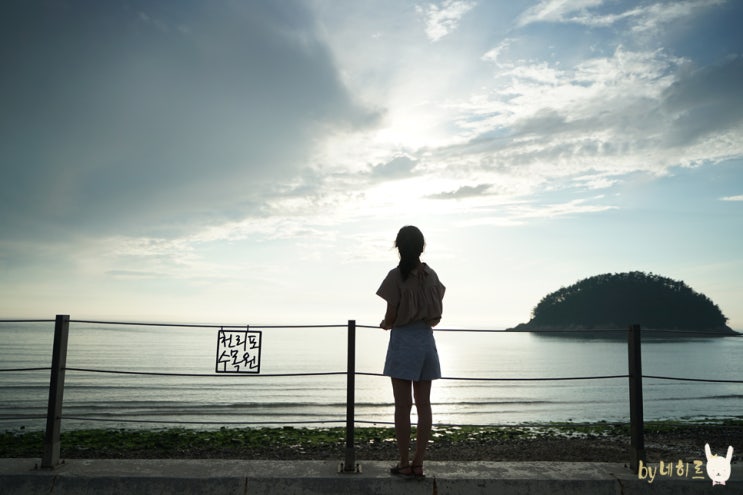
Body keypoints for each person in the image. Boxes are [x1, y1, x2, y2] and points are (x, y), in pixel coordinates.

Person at [376, 225, 445, 479]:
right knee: (424, 405)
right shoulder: (432, 276)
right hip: (426, 341)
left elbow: (391, 316)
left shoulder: (396, 276)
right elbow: (436, 318)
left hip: (404, 342)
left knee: (402, 406)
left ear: (398, 247)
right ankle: (418, 463)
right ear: (421, 247)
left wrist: (386, 323)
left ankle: (404, 462)